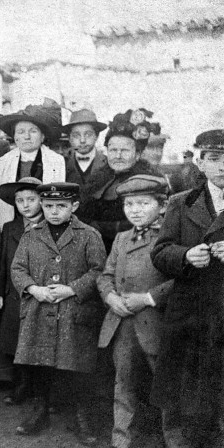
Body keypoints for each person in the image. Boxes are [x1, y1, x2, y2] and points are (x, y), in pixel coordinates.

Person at [11, 182, 106, 445]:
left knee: (75, 365)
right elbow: (18, 269)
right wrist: (33, 289)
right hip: (39, 308)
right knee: (39, 363)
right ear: (42, 205)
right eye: (49, 206)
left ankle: (80, 415)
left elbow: (99, 271)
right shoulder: (31, 234)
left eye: (61, 206)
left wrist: (72, 289)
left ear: (74, 206)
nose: (54, 212)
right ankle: (39, 410)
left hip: (73, 308)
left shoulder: (89, 235)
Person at [150, 129, 224, 447]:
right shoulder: (181, 203)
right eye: (215, 159)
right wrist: (185, 255)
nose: (223, 167)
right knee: (188, 396)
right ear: (201, 163)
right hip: (191, 312)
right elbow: (160, 252)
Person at [97, 174, 173, 448]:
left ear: (162, 206)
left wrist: (148, 298)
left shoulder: (171, 237)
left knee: (167, 388)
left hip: (158, 324)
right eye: (129, 204)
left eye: (143, 203)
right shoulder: (121, 238)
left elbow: (183, 280)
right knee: (124, 386)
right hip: (124, 325)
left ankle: (174, 442)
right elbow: (105, 275)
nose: (135, 210)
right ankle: (122, 442)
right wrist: (110, 297)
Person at [77, 109, 161, 251]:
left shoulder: (150, 182)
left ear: (138, 154)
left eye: (125, 150)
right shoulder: (97, 180)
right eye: (113, 150)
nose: (118, 156)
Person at [0, 177, 43, 404]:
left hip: (40, 291)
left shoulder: (50, 225)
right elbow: (3, 261)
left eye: (31, 199)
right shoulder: (10, 228)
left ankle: (38, 388)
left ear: (42, 200)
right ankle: (21, 384)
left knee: (38, 338)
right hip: (14, 293)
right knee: (16, 340)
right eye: (20, 200)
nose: (26, 204)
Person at [0, 98, 67, 230]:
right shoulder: (3, 162)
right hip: (13, 226)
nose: (27, 137)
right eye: (21, 132)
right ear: (14, 137)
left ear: (42, 136)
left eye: (33, 131)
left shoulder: (56, 161)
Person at [63, 109, 107, 186]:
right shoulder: (62, 163)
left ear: (96, 136)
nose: (82, 140)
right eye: (76, 135)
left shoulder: (108, 163)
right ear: (70, 138)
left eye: (88, 134)